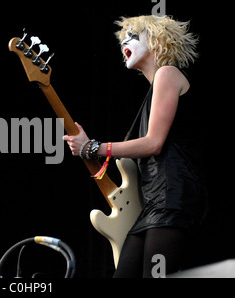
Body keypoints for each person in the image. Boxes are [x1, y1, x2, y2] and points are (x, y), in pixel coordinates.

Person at [63, 15, 208, 277]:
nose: (124, 43)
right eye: (123, 39)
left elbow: (153, 144)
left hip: (172, 199)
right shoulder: (151, 94)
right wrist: (88, 149)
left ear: (155, 40)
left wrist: (92, 147)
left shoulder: (168, 73)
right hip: (152, 205)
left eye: (133, 36)